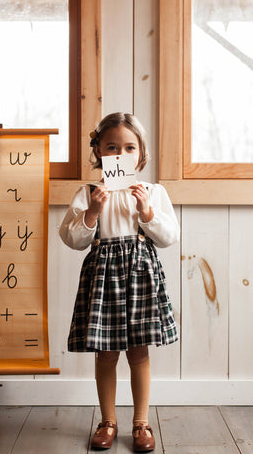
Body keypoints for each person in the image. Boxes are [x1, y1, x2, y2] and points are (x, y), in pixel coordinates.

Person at [59, 112, 179, 452]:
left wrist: (147, 213)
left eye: (129, 147)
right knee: (106, 352)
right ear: (99, 152)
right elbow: (72, 238)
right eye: (112, 147)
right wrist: (93, 213)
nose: (121, 154)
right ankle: (107, 420)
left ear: (140, 154)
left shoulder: (153, 192)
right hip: (104, 280)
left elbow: (170, 236)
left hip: (140, 277)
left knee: (138, 351)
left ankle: (141, 422)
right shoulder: (89, 193)